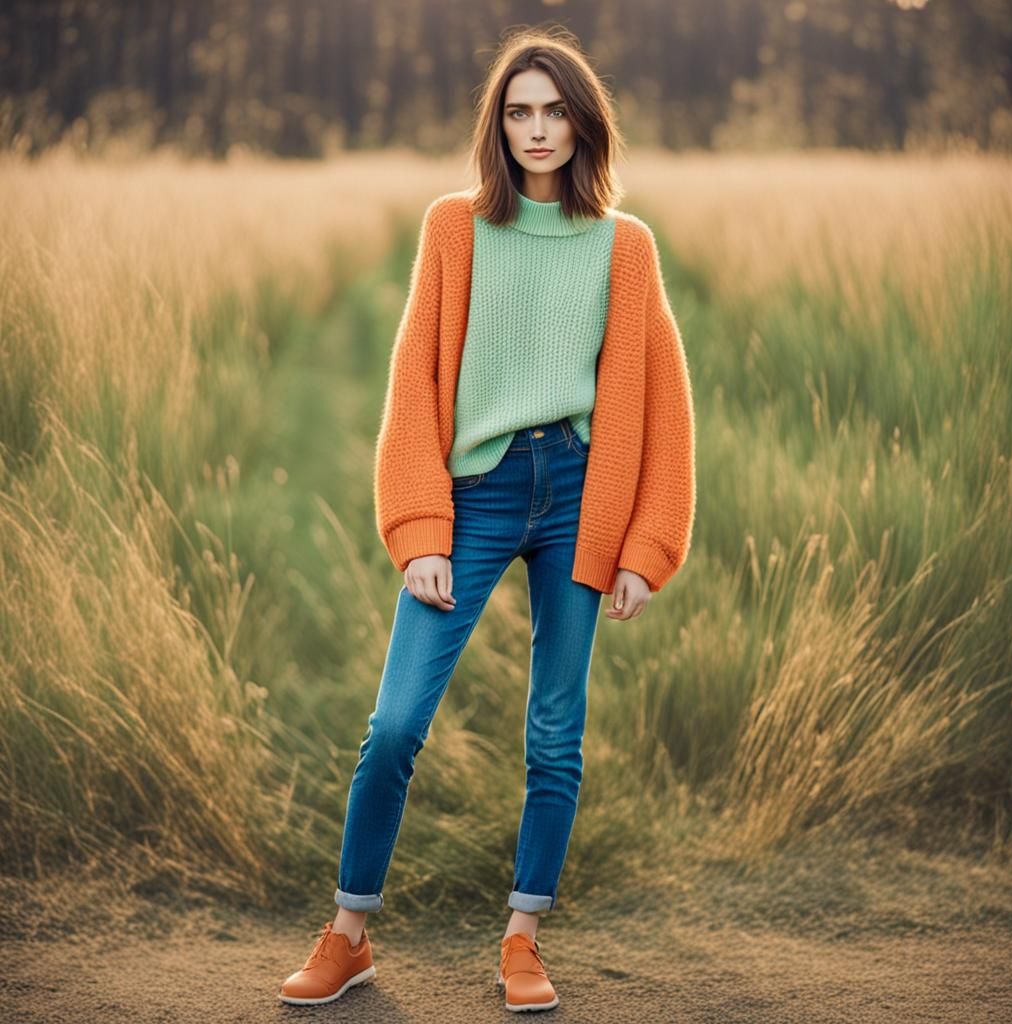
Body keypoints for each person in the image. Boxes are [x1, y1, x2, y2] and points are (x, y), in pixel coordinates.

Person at [279, 26, 696, 1013]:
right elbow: (412, 382)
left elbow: (665, 408)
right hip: (476, 491)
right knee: (392, 726)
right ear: (496, 125)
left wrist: (645, 546)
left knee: (555, 736)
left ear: (582, 121)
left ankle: (521, 939)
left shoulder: (622, 245)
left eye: (554, 110)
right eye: (518, 111)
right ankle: (348, 935)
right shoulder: (453, 226)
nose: (537, 129)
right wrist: (421, 530)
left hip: (579, 494)